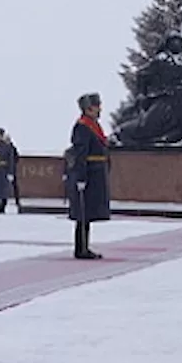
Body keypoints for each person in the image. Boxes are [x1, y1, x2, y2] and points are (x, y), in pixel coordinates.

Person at [68, 93, 112, 258]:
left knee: (88, 213)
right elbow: (80, 153)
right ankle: (81, 249)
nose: (100, 109)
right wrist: (81, 177)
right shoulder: (82, 127)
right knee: (83, 213)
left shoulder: (93, 125)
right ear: (88, 109)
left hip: (95, 173)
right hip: (88, 173)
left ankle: (84, 247)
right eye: (96, 106)